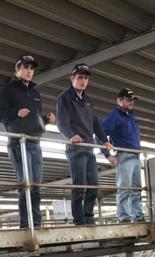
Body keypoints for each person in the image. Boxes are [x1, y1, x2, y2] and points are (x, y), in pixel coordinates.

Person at [0, 55, 55, 229]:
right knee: (25, 184)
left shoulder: (35, 93)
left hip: (35, 142)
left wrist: (45, 119)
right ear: (17, 68)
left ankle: (36, 221)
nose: (29, 71)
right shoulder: (7, 90)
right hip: (18, 142)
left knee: (36, 185)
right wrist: (15, 112)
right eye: (25, 67)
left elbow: (34, 119)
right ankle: (26, 223)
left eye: (31, 68)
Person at [56, 64, 113, 226]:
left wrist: (105, 140)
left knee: (94, 185)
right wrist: (70, 135)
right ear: (72, 78)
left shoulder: (88, 100)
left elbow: (95, 123)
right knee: (79, 185)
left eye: (86, 78)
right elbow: (61, 121)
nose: (83, 81)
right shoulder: (64, 97)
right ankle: (79, 220)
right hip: (75, 147)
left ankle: (88, 216)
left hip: (89, 148)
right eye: (80, 77)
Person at [102, 87, 145, 223]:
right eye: (128, 100)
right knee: (124, 188)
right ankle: (124, 217)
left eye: (132, 100)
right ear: (119, 100)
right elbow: (100, 133)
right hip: (124, 155)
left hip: (136, 156)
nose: (131, 102)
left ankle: (138, 216)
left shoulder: (131, 115)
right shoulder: (114, 116)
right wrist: (107, 154)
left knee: (136, 189)